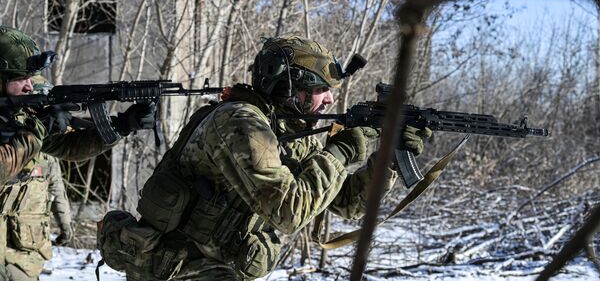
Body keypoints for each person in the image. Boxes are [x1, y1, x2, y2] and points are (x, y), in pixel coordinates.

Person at [100, 35, 431, 281]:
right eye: (320, 88)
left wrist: (388, 159)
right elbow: (288, 212)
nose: (330, 99)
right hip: (180, 271)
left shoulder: (285, 131)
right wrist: (344, 149)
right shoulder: (240, 123)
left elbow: (346, 202)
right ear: (288, 86)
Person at [0, 26, 155, 281]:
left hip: (20, 262)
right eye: (20, 78)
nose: (29, 86)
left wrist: (124, 125)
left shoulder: (23, 104)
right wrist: (39, 128)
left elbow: (68, 147)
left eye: (31, 77)